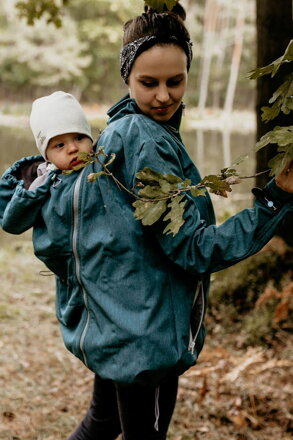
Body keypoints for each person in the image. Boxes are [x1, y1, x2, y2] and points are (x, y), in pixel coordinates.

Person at [0, 5, 292, 440]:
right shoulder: (141, 139)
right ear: (127, 78)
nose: (163, 96)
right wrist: (275, 198)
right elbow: (195, 248)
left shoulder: (116, 132)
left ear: (188, 73)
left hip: (117, 324)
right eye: (148, 82)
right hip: (144, 334)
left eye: (175, 81)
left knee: (102, 423)